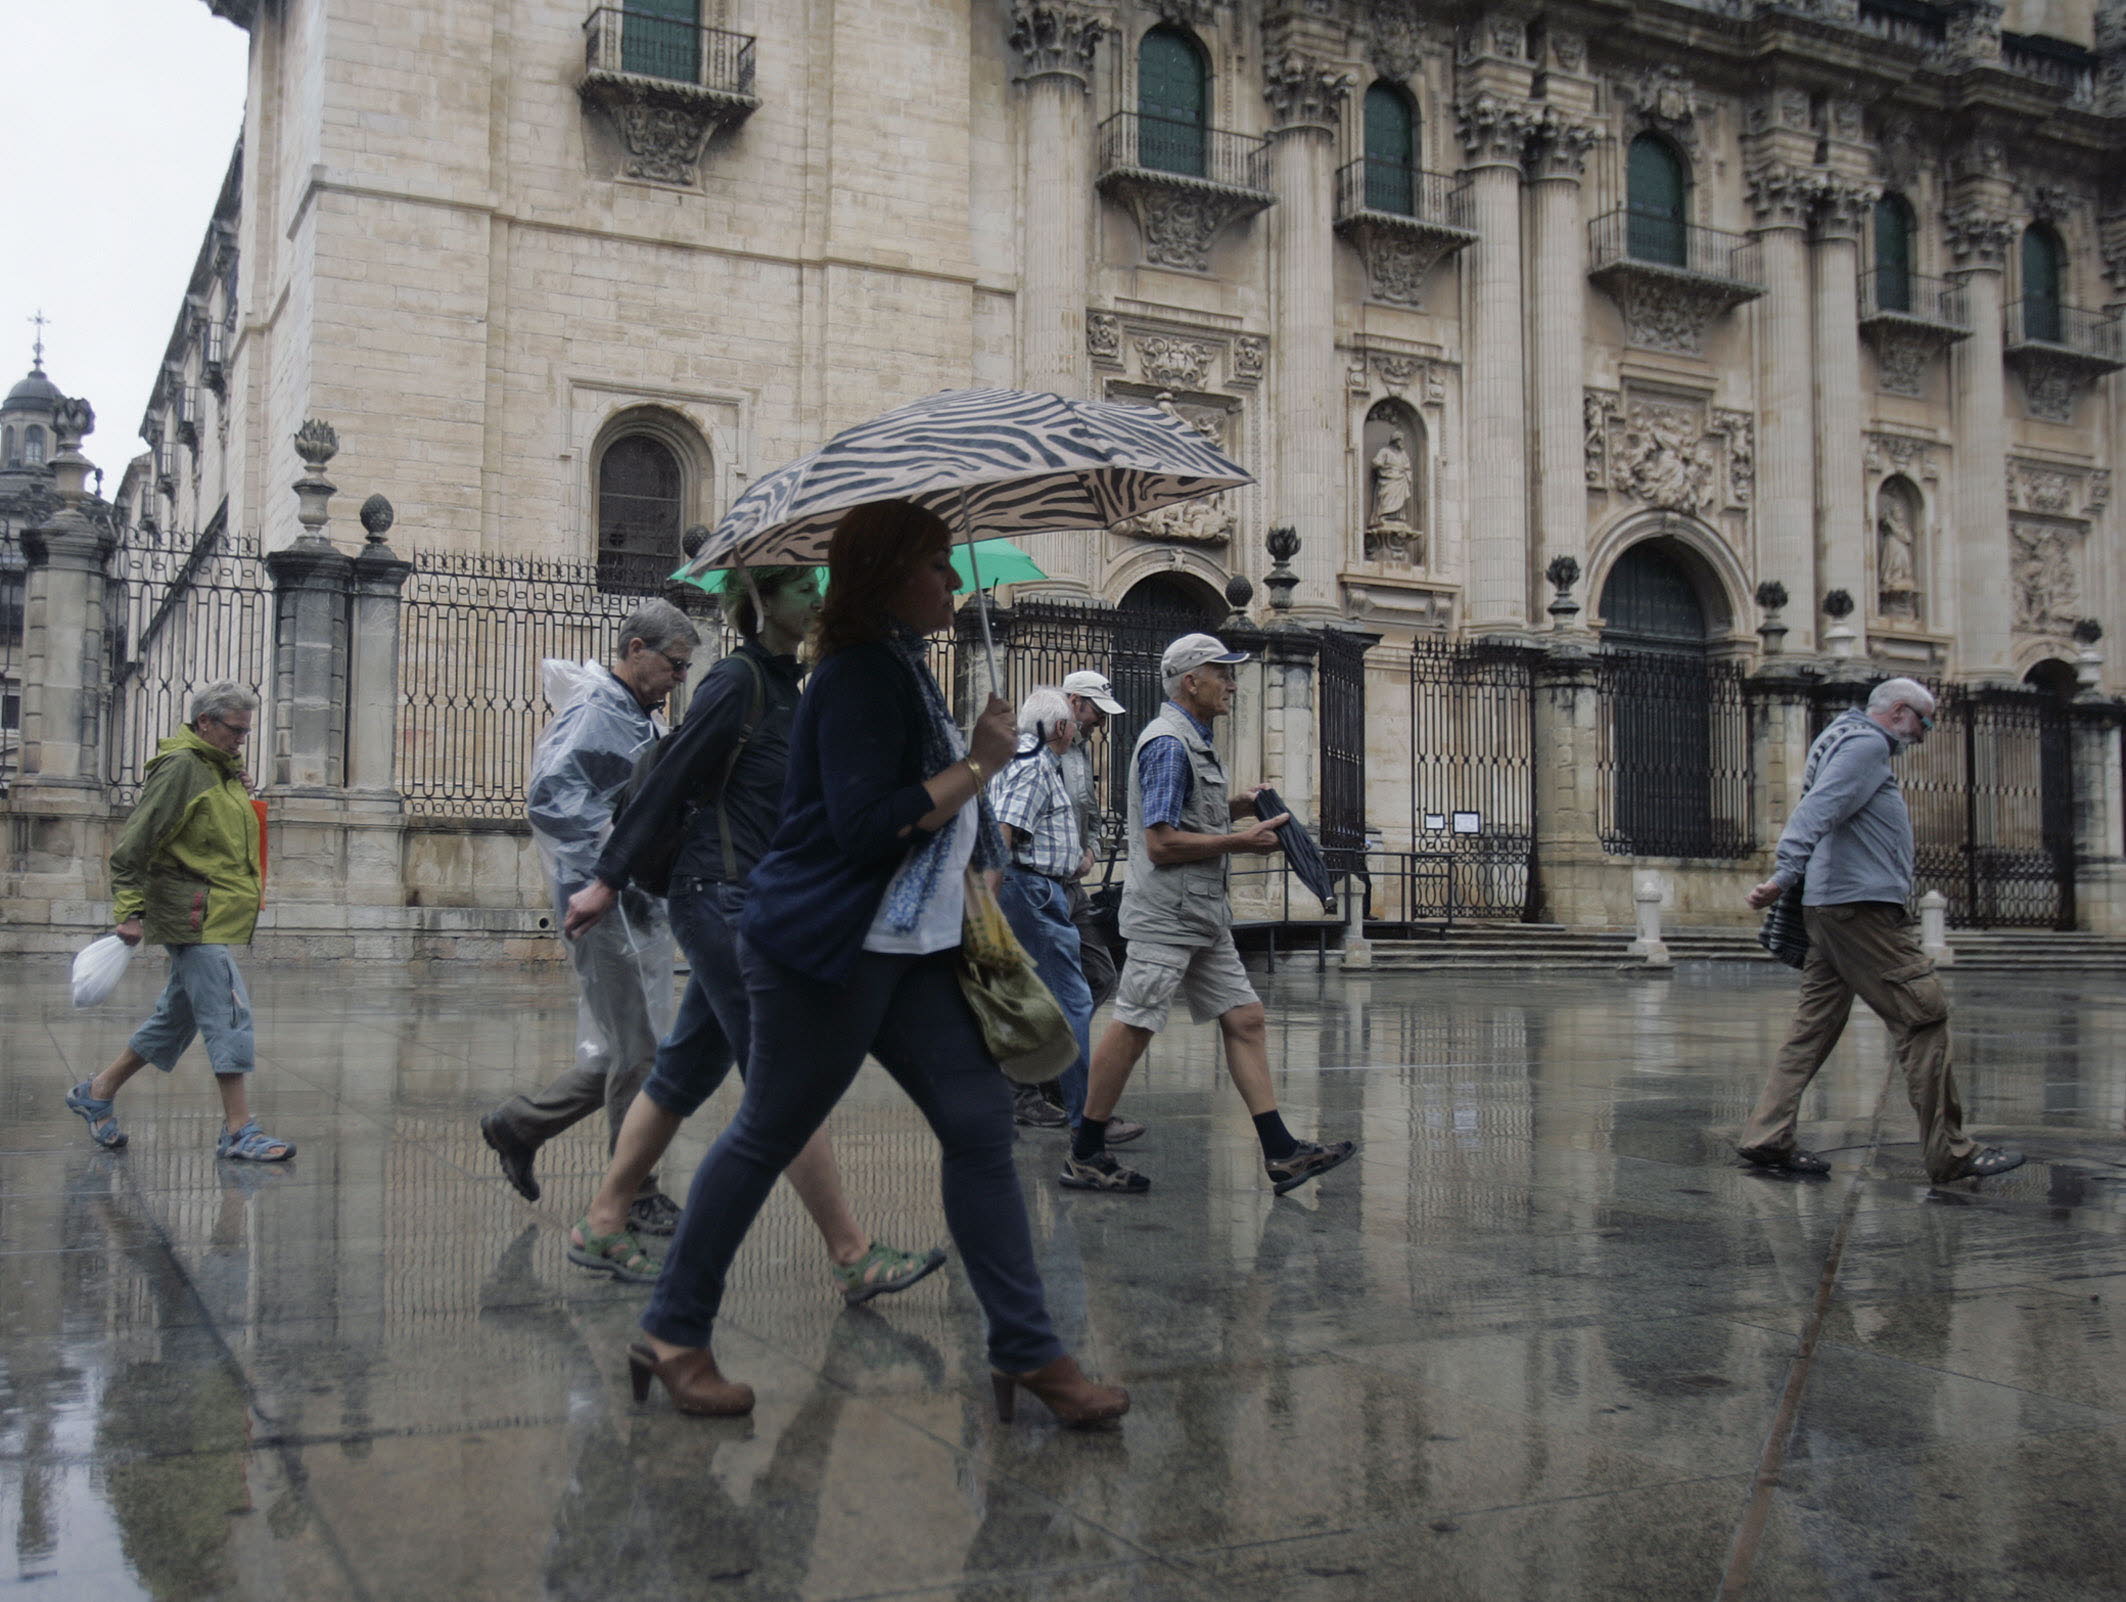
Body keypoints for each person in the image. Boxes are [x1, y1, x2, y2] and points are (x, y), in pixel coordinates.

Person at [627, 499, 1126, 1428]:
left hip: (913, 947)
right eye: (936, 564)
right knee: (768, 1131)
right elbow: (865, 826)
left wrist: (976, 793)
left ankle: (1028, 1349)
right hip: (830, 948)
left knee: (980, 1126)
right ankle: (672, 1330)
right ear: (889, 575)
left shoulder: (902, 664)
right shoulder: (857, 674)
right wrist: (979, 765)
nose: (953, 580)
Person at [558, 565, 943, 1303]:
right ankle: (851, 1253)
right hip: (716, 897)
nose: (817, 598)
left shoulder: (797, 690)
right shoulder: (735, 682)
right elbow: (670, 778)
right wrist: (607, 877)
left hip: (757, 902)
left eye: (818, 586)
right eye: (799, 587)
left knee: (684, 1072)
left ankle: (602, 1221)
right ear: (760, 600)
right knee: (785, 1070)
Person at [1066, 634, 1357, 1197]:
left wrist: (1236, 807)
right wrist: (1240, 842)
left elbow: (1182, 813)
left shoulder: (1192, 742)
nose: (1231, 684)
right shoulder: (1168, 745)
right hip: (1169, 912)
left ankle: (1281, 1153)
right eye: (1221, 673)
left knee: (1245, 1018)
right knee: (1134, 1023)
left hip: (1201, 912)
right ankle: (1085, 1153)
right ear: (1191, 681)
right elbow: (1161, 843)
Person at [1741, 677, 2025, 1182]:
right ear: (1898, 712)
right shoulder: (1867, 744)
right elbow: (1819, 807)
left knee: (1811, 1028)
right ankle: (1951, 1152)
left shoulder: (1838, 737)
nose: (1925, 733)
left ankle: (1768, 1136)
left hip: (1834, 908)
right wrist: (1783, 875)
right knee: (1923, 1014)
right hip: (1859, 911)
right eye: (1924, 721)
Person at [479, 600, 698, 1237]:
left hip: (629, 901)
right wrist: (614, 861)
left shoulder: (632, 712)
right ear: (636, 649)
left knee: (633, 1047)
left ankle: (520, 1125)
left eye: (685, 667)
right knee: (639, 1050)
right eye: (674, 664)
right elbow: (551, 797)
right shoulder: (599, 710)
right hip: (602, 904)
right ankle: (634, 1192)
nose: (680, 677)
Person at [65, 682, 292, 1161]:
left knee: (176, 1017)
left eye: (246, 732)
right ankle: (239, 1130)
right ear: (204, 722)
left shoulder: (218, 769)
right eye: (234, 730)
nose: (241, 739)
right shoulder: (181, 768)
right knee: (229, 1010)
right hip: (191, 914)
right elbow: (134, 845)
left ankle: (98, 1091)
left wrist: (238, 786)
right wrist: (129, 911)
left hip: (213, 912)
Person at [988, 688, 1142, 1144]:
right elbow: (1004, 832)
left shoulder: (1022, 758)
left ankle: (1028, 1091)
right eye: (1072, 724)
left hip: (1039, 888)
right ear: (1060, 727)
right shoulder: (1034, 765)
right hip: (1032, 891)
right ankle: (1086, 1117)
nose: (1078, 730)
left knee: (1051, 996)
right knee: (1072, 999)